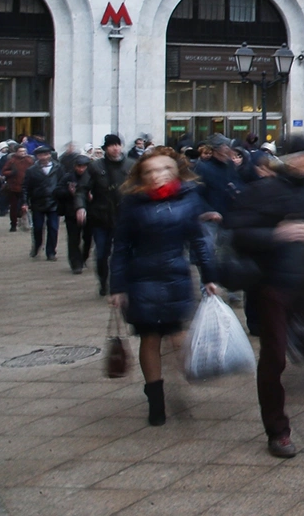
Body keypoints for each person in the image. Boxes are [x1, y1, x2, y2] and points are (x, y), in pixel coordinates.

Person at [226, 136, 304, 458]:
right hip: (274, 283)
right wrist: (277, 233)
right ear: (289, 159)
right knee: (274, 357)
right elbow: (238, 234)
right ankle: (278, 431)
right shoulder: (263, 190)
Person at [108, 147, 217, 426]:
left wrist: (209, 276)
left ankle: (187, 371)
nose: (158, 175)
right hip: (141, 278)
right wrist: (117, 286)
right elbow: (121, 247)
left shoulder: (189, 198)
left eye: (165, 169)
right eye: (151, 171)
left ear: (177, 171)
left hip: (175, 275)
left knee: (177, 332)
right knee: (150, 336)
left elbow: (198, 240)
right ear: (142, 175)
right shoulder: (132, 203)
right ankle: (155, 399)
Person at [77, 135, 136, 296]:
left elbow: (140, 188)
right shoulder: (95, 167)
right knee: (102, 253)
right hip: (101, 217)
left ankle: (122, 283)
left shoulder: (131, 165)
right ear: (105, 148)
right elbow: (82, 189)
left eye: (118, 145)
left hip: (124, 217)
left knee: (125, 252)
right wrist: (80, 207)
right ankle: (103, 281)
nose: (115, 148)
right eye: (111, 145)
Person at [23, 145, 63, 261]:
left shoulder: (58, 168)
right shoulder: (31, 170)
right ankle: (37, 245)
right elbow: (26, 187)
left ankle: (51, 252)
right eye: (41, 155)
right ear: (37, 157)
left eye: (46, 154)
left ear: (50, 155)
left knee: (53, 228)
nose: (44, 157)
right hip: (37, 202)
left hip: (54, 202)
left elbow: (62, 183)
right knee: (38, 227)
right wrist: (25, 202)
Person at [58, 154, 93, 274]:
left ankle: (84, 256)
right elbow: (57, 192)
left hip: (90, 213)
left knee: (88, 238)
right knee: (73, 239)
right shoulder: (68, 177)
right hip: (71, 213)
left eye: (84, 166)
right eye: (79, 166)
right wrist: (68, 192)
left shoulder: (93, 177)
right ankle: (75, 263)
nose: (81, 169)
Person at [2, 144, 33, 232]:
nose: (23, 153)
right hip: (14, 187)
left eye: (24, 151)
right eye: (21, 151)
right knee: (14, 206)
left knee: (25, 205)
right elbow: (4, 171)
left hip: (26, 186)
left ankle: (25, 222)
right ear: (16, 152)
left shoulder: (29, 160)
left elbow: (35, 170)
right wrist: (11, 173)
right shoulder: (12, 161)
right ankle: (13, 224)